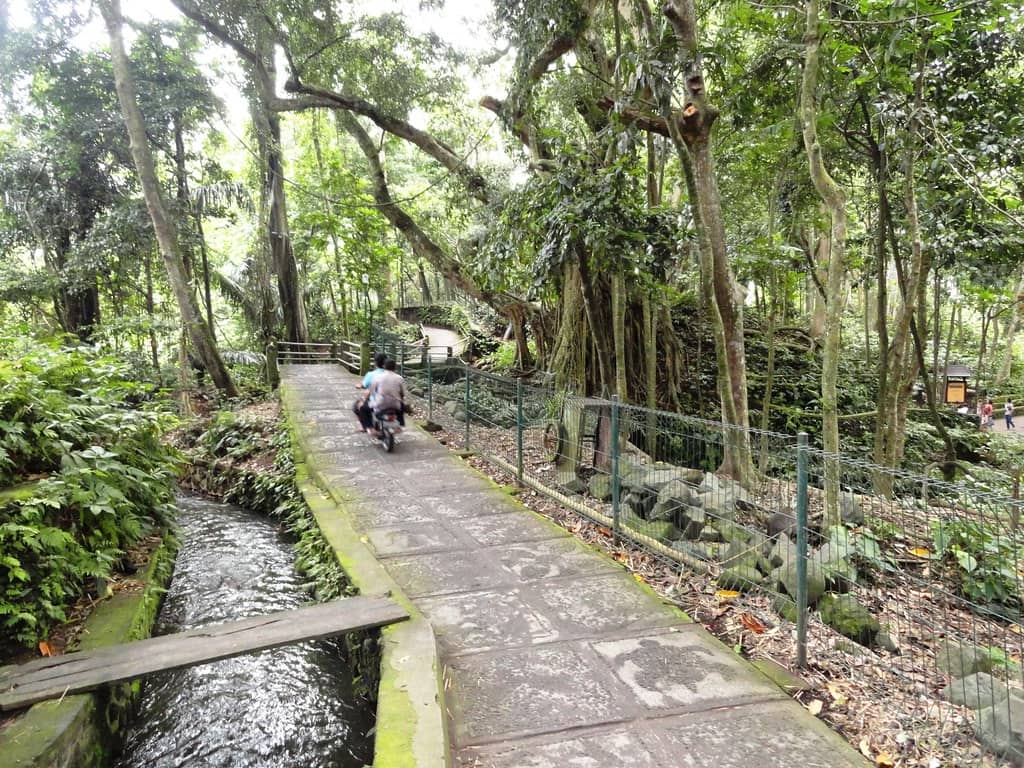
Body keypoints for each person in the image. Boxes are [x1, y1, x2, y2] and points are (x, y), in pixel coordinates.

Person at [367, 358, 407, 433]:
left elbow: (372, 390)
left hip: (380, 404)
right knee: (402, 405)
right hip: (395, 405)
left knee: (365, 408)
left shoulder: (378, 377)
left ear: (384, 367)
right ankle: (400, 425)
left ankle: (370, 428)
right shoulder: (399, 378)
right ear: (395, 367)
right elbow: (403, 393)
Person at [353, 353, 387, 432]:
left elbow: (363, 385)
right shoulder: (392, 375)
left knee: (358, 406)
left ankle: (366, 426)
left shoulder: (371, 374)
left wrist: (358, 385)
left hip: (376, 402)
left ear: (375, 363)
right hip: (392, 402)